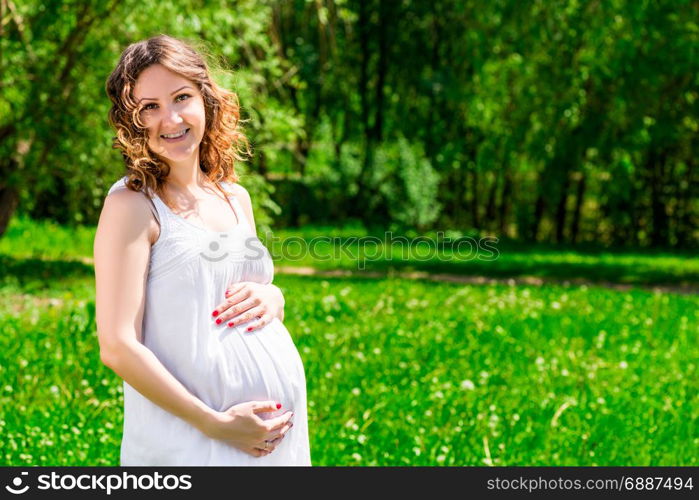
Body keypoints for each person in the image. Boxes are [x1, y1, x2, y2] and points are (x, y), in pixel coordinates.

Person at [94, 34, 311, 466]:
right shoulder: (133, 206)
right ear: (130, 120)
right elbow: (117, 345)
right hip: (192, 442)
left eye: (181, 97)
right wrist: (214, 422)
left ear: (206, 101)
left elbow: (236, 301)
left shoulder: (234, 197)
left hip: (274, 442)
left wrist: (274, 297)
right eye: (149, 107)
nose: (170, 118)